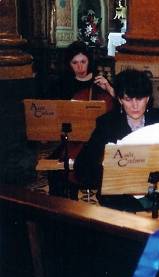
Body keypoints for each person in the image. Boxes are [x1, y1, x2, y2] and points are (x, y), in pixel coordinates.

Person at [74, 69, 159, 212]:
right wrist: (108, 172)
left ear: (147, 98)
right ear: (120, 100)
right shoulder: (107, 123)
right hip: (118, 198)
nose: (135, 106)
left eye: (140, 99)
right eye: (128, 99)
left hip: (154, 196)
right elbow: (83, 166)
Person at [46, 41, 117, 199]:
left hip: (96, 141)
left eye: (83, 62)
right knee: (56, 170)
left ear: (89, 61)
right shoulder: (62, 84)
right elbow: (53, 113)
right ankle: (63, 210)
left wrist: (111, 89)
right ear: (69, 64)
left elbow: (119, 110)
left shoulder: (101, 84)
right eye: (75, 63)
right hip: (71, 141)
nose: (80, 67)